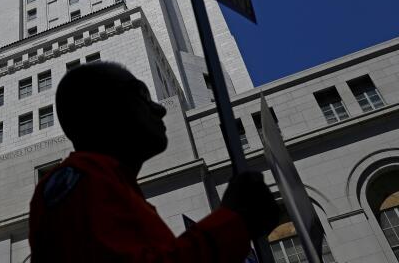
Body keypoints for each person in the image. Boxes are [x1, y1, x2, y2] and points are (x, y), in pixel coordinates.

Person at [29, 62, 279, 262]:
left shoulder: (111, 187)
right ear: (103, 108)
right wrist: (232, 222)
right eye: (142, 94)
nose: (160, 108)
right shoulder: (76, 182)